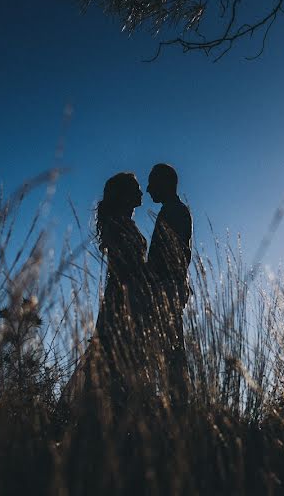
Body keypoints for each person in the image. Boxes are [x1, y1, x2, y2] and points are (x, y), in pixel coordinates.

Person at [92, 172, 148, 407]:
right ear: (125, 195)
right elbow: (126, 266)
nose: (141, 192)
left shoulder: (123, 223)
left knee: (125, 361)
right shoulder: (119, 224)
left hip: (128, 297)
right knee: (120, 359)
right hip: (123, 299)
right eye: (135, 188)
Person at [144, 163, 193, 405]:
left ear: (164, 183)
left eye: (151, 184)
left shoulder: (175, 211)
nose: (147, 190)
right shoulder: (173, 210)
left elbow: (175, 256)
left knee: (171, 351)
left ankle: (177, 404)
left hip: (165, 290)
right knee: (166, 350)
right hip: (166, 289)